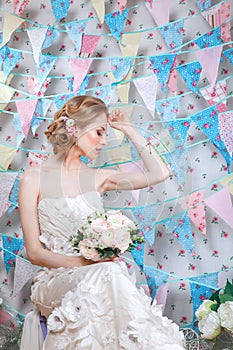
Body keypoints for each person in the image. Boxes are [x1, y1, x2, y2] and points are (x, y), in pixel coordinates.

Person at [19, 95, 185, 349]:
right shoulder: (33, 178)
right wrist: (85, 262)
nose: (104, 141)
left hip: (98, 273)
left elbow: (159, 173)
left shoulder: (99, 177)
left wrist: (129, 130)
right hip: (53, 280)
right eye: (99, 132)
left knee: (109, 272)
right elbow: (34, 253)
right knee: (109, 271)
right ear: (75, 129)